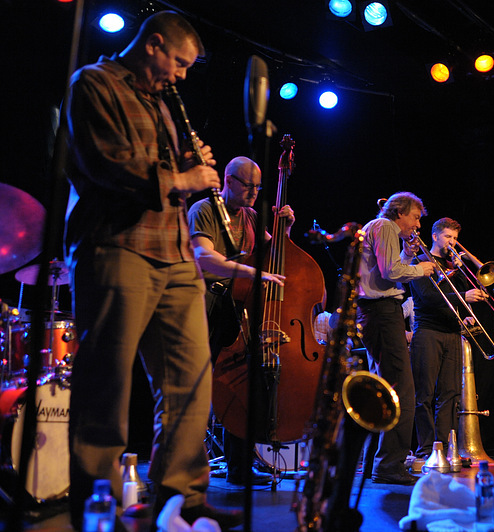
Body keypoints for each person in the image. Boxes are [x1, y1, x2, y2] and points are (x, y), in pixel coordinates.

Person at [63, 11, 242, 530]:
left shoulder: (162, 103)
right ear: (154, 46)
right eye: (179, 63)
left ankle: (181, 497)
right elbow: (108, 166)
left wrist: (189, 159)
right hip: (117, 246)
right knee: (108, 383)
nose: (182, 75)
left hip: (175, 252)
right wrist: (185, 175)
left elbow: (162, 170)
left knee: (191, 379)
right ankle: (99, 505)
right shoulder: (93, 85)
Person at [187, 155, 291, 485]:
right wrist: (251, 272)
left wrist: (285, 227)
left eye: (258, 187)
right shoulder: (204, 209)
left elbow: (275, 255)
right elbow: (203, 258)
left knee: (240, 385)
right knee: (196, 386)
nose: (253, 193)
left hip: (235, 308)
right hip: (204, 303)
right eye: (248, 185)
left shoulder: (249, 216)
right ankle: (189, 466)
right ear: (228, 181)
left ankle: (240, 468)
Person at [356, 192, 435, 485]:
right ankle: (390, 464)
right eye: (415, 217)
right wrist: (421, 268)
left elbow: (385, 270)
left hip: (377, 311)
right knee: (403, 390)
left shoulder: (380, 228)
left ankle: (377, 462)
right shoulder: (385, 226)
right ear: (400, 212)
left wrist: (409, 256)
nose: (417, 225)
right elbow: (391, 272)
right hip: (381, 311)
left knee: (386, 388)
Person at [408, 217, 487, 459]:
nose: (452, 242)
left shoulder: (455, 265)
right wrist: (464, 294)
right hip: (428, 333)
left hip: (453, 333)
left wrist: (462, 274)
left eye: (455, 238)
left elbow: (461, 299)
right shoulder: (419, 261)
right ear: (434, 236)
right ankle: (425, 449)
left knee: (450, 393)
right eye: (448, 237)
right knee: (424, 395)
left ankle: (442, 448)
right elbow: (428, 297)